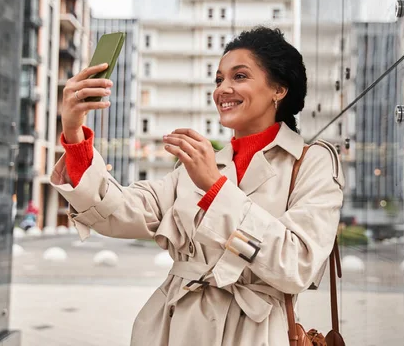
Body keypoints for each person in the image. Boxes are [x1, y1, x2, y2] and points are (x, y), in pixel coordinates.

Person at [51, 27, 344, 346]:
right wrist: (74, 134)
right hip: (173, 329)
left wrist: (216, 188)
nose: (223, 89)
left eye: (240, 76)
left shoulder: (312, 162)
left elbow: (297, 264)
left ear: (279, 88)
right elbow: (116, 212)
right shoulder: (198, 165)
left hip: (255, 333)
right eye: (219, 79)